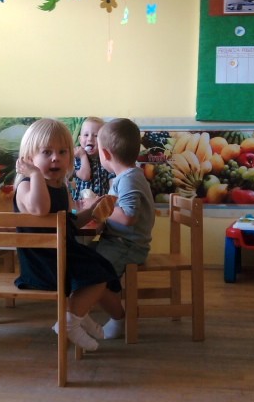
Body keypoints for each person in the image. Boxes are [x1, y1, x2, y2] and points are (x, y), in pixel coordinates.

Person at [13, 118, 125, 351]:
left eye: (62, 152)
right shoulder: (26, 185)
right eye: (46, 152)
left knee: (101, 267)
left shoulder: (60, 185)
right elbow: (40, 209)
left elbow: (69, 223)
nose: (55, 158)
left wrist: (92, 211)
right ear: (29, 158)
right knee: (95, 276)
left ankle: (78, 316)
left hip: (62, 253)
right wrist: (35, 175)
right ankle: (70, 323)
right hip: (42, 261)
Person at [93, 118, 156, 339]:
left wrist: (100, 206)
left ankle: (119, 318)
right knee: (84, 261)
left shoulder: (129, 178)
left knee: (91, 275)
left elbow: (128, 217)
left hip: (127, 247)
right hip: (119, 243)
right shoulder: (128, 176)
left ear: (105, 154)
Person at [71, 116, 115, 202]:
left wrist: (111, 199)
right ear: (80, 140)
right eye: (86, 135)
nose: (90, 139)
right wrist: (83, 156)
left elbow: (112, 182)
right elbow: (85, 176)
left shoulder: (106, 160)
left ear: (103, 140)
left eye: (96, 135)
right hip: (81, 204)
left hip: (100, 204)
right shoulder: (77, 159)